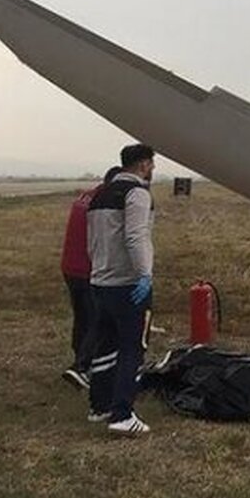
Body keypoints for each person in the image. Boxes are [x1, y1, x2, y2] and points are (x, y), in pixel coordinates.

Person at [86, 144, 157, 435]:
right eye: (151, 164)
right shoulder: (137, 193)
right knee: (132, 349)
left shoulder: (99, 194)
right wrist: (145, 275)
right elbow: (136, 236)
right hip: (128, 285)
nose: (153, 169)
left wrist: (98, 269)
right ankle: (122, 414)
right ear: (142, 165)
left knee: (105, 345)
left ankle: (99, 406)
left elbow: (92, 240)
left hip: (100, 281)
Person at [59, 166, 121, 389]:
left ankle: (79, 359)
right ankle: (82, 367)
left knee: (82, 317)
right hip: (88, 270)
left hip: (69, 267)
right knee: (98, 319)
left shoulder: (85, 196)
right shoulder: (105, 203)